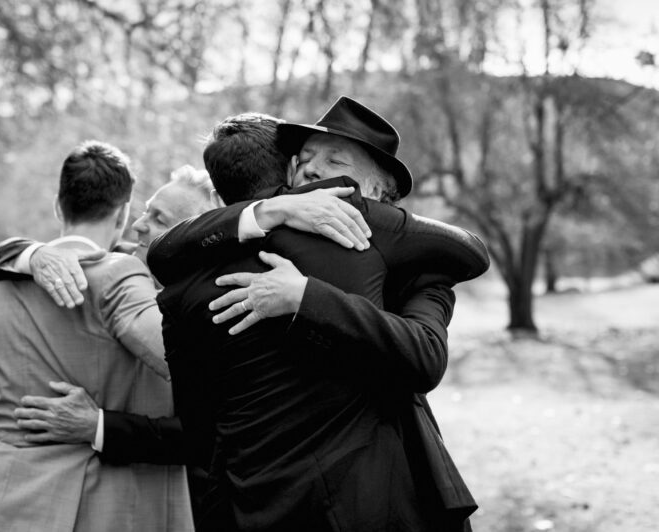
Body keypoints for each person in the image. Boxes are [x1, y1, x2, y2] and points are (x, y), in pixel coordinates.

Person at [148, 97, 483, 531]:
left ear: (379, 193)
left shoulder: (413, 259)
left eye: (334, 160)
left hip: (382, 498)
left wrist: (304, 298)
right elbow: (163, 251)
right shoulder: (255, 236)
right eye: (304, 158)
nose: (311, 169)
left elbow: (434, 336)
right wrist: (272, 208)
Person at [0, 141, 193, 532]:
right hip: (91, 503)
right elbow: (183, 363)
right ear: (123, 212)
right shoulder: (122, 277)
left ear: (58, 206)